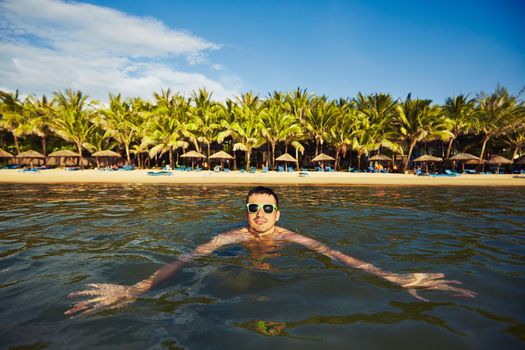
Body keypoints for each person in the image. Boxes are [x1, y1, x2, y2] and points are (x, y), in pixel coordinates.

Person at [65, 186, 476, 317]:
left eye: (266, 208)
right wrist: (136, 289)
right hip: (237, 270)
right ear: (244, 212)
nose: (259, 214)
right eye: (252, 208)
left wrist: (392, 276)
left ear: (277, 213)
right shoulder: (231, 238)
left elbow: (338, 257)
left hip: (278, 274)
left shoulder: (289, 238)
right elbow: (184, 259)